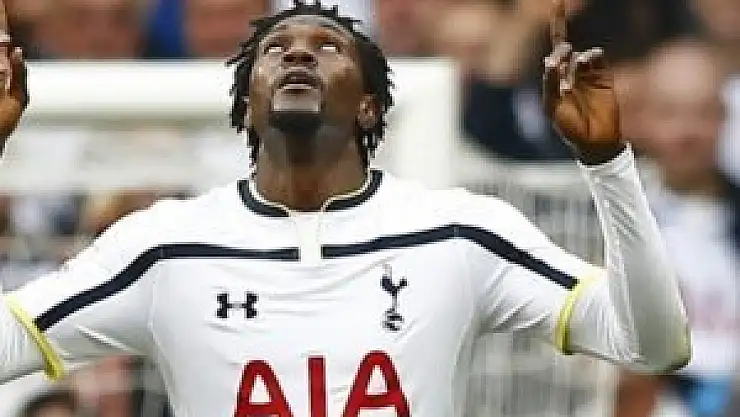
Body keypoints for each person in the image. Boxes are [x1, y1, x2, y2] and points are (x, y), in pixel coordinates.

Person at [0, 1, 690, 416]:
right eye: (275, 51)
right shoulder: (164, 246)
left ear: (367, 106)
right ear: (246, 105)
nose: (297, 56)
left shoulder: (460, 231)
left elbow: (652, 344)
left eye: (326, 48)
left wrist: (607, 163)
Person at [614, 39, 740, 417]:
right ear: (640, 119)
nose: (687, 132)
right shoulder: (608, 220)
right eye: (670, 113)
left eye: (703, 113)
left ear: (724, 117)